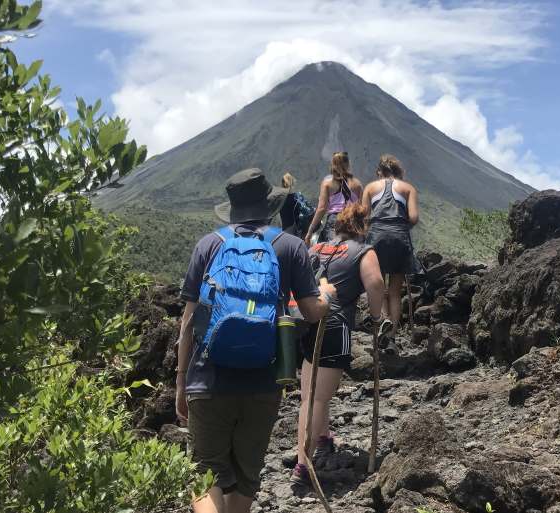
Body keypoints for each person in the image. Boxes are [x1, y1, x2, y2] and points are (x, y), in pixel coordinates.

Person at [174, 168, 337, 513]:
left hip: (207, 379)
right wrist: (326, 295)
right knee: (247, 476)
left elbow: (188, 322)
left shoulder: (209, 244)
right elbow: (310, 312)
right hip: (264, 382)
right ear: (270, 206)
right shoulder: (290, 246)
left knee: (204, 475)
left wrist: (180, 383)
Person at [291, 203, 386, 488]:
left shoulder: (317, 248)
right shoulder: (364, 251)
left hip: (305, 322)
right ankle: (302, 465)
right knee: (317, 399)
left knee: (311, 394)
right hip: (334, 324)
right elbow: (376, 284)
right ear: (363, 226)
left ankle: (323, 440)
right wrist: (375, 316)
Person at [361, 154, 420, 331]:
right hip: (400, 238)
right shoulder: (408, 188)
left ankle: (382, 324)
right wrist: (400, 228)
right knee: (394, 292)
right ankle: (392, 334)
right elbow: (414, 218)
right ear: (397, 171)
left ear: (380, 171)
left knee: (379, 287)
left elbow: (364, 217)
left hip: (376, 238)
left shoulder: (371, 187)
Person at [304, 152, 363, 246]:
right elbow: (360, 210)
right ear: (348, 164)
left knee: (331, 253)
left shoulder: (327, 184)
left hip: (335, 221)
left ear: (333, 165)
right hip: (352, 221)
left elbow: (321, 209)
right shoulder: (358, 184)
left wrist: (310, 231)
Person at [278, 172, 313, 237]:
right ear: (293, 183)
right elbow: (307, 212)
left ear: (282, 184)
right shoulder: (296, 197)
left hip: (285, 229)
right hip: (295, 230)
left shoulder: (279, 199)